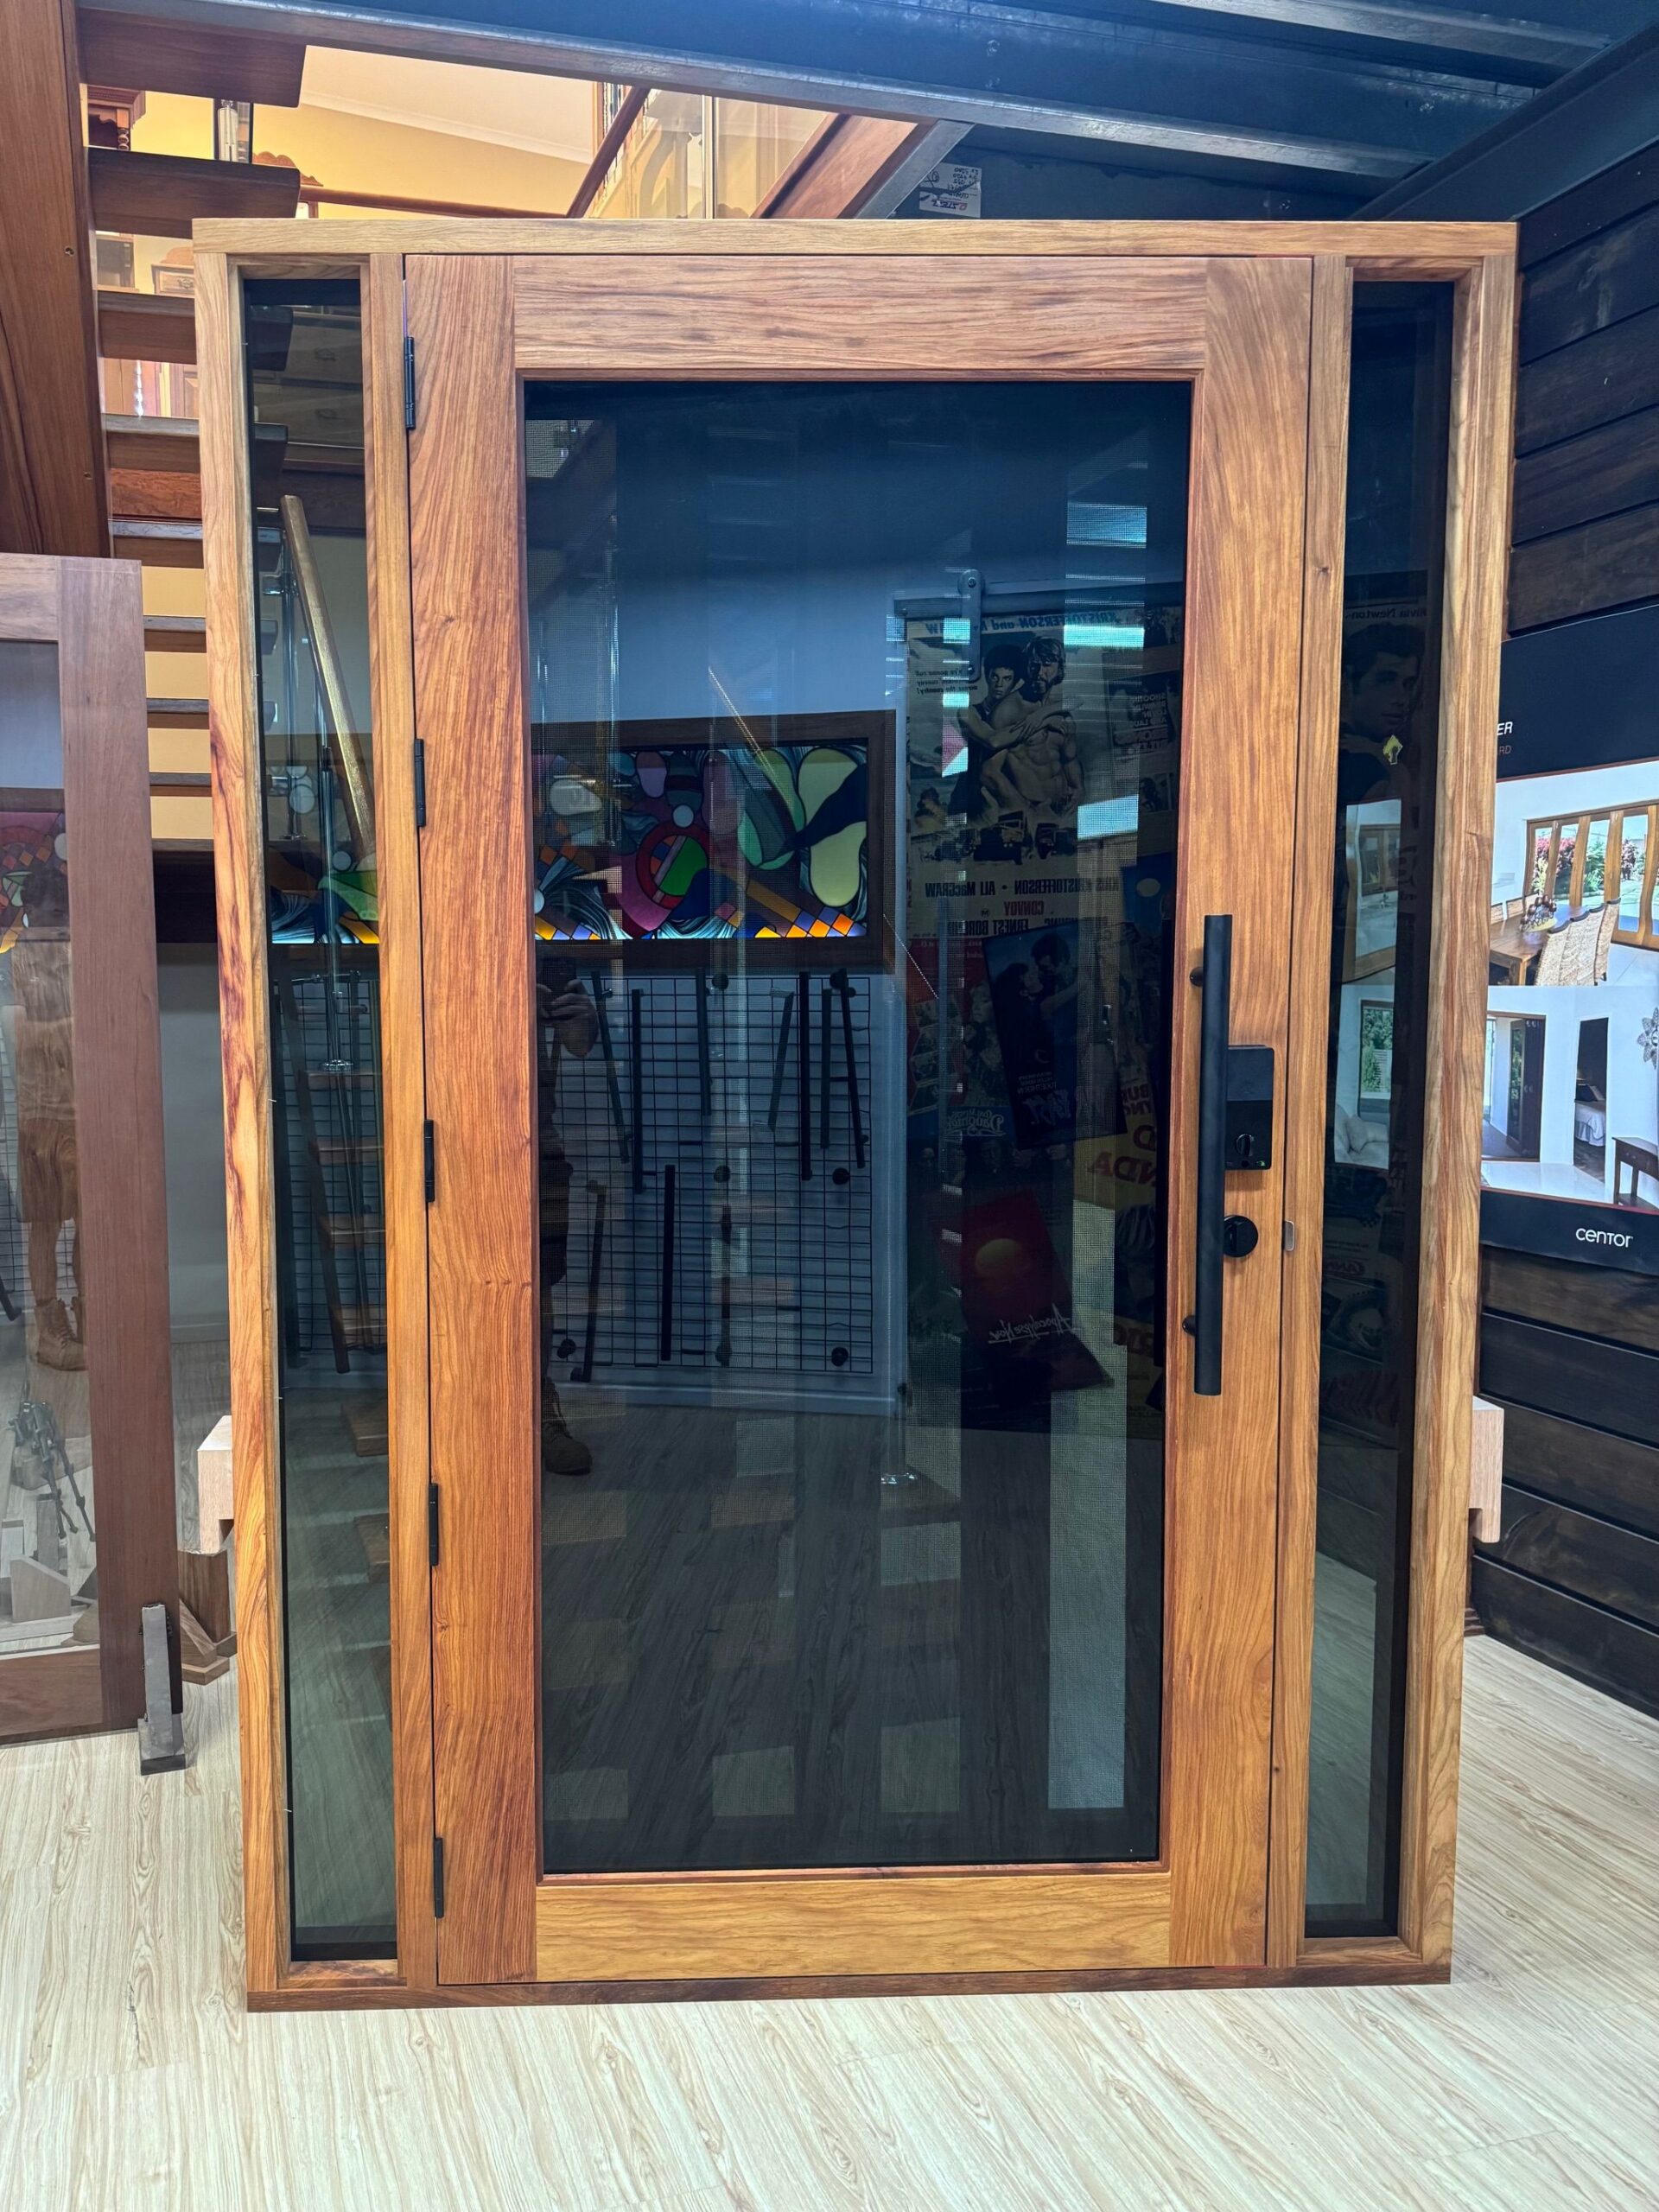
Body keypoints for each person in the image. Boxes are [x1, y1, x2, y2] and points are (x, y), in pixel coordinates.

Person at [13, 855, 83, 1373]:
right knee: (45, 1224)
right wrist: (68, 1025)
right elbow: (22, 1029)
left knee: (90, 1220)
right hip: (38, 1113)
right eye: (51, 913)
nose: (59, 922)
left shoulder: (77, 953)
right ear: (31, 912)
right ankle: (48, 1329)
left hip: (82, 1108)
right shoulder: (15, 962)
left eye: (65, 913)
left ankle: (91, 1316)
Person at [538, 974, 598, 1476]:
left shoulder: (540, 959)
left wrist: (578, 1023)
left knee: (536, 1287)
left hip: (538, 1149)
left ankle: (537, 1412)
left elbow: (580, 1047)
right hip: (462, 1143)